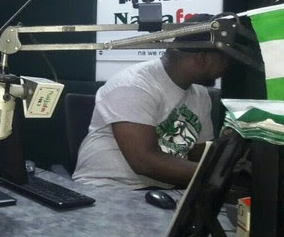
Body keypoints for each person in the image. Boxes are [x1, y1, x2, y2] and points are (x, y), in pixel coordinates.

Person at [72, 14, 230, 189]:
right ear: (202, 58)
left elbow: (199, 156)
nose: (227, 67)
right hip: (108, 187)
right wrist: (221, 175)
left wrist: (229, 167)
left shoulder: (200, 95)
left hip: (165, 193)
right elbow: (144, 161)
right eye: (225, 59)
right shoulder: (133, 85)